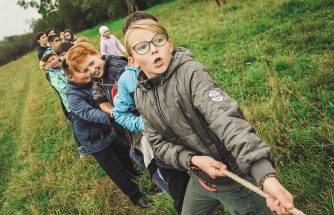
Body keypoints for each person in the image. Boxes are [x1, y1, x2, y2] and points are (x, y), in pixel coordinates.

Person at [124, 19, 295, 215]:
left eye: (159, 40)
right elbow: (158, 144)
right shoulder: (141, 95)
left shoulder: (192, 74)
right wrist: (194, 160)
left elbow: (226, 120)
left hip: (232, 179)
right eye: (143, 47)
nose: (154, 49)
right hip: (199, 177)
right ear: (133, 60)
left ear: (169, 44)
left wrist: (264, 176)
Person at [111, 11, 190, 214]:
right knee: (181, 193)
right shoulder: (129, 79)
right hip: (162, 148)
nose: (152, 48)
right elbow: (119, 113)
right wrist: (146, 124)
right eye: (141, 43)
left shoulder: (181, 64)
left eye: (155, 37)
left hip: (191, 137)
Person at [65, 42, 151, 208]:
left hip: (110, 131)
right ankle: (136, 196)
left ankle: (142, 180)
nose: (88, 73)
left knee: (127, 158)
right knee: (116, 170)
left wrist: (113, 111)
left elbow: (105, 95)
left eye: (89, 65)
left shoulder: (99, 75)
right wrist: (116, 114)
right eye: (82, 71)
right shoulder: (73, 96)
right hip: (95, 140)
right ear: (72, 76)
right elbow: (90, 113)